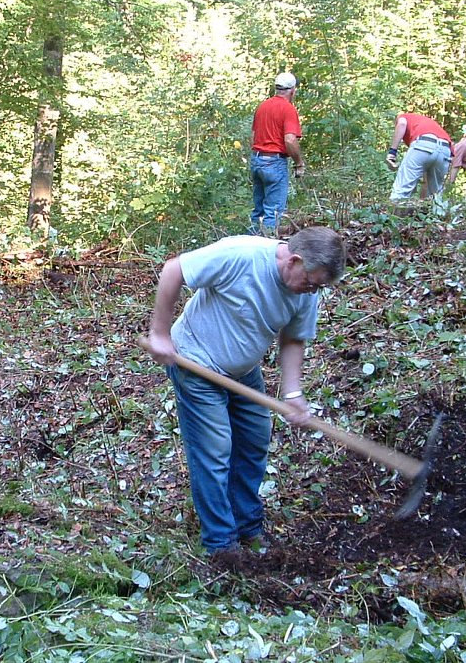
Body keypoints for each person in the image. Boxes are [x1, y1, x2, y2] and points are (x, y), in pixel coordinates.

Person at [145, 227, 346, 555]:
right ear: (294, 260)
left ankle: (247, 526)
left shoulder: (305, 292)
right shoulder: (241, 255)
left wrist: (293, 394)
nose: (313, 291)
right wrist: (160, 334)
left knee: (254, 440)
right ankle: (221, 546)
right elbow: (174, 269)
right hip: (195, 361)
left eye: (319, 287)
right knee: (215, 451)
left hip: (242, 371)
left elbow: (294, 338)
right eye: (311, 282)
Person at [249, 72, 306, 236]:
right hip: (274, 163)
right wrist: (299, 162)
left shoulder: (262, 106)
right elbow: (289, 140)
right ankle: (266, 249)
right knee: (272, 212)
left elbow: (253, 136)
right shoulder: (288, 109)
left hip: (257, 159)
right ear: (292, 90)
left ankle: (250, 245)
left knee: (258, 211)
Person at [386, 113, 453, 202]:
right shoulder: (430, 124)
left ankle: (393, 213)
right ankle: (436, 214)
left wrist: (392, 152)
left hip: (423, 142)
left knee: (401, 191)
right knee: (436, 196)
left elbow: (402, 124)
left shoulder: (404, 116)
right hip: (445, 149)